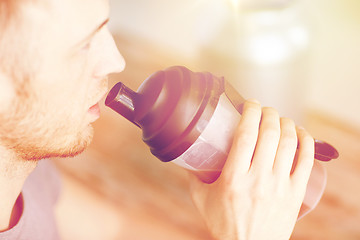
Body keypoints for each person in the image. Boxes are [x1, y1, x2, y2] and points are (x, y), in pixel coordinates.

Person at [0, 0, 314, 239]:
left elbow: (114, 229)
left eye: (104, 30)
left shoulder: (27, 169)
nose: (116, 60)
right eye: (83, 46)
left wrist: (236, 222)